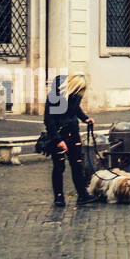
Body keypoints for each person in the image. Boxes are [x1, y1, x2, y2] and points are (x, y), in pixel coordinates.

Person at [44, 73, 94, 207]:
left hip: (73, 133)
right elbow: (49, 120)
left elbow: (75, 108)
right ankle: (59, 197)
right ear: (73, 86)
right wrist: (58, 139)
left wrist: (85, 118)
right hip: (59, 135)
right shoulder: (55, 97)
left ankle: (82, 195)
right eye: (78, 90)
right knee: (59, 166)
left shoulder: (74, 96)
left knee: (77, 164)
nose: (80, 94)